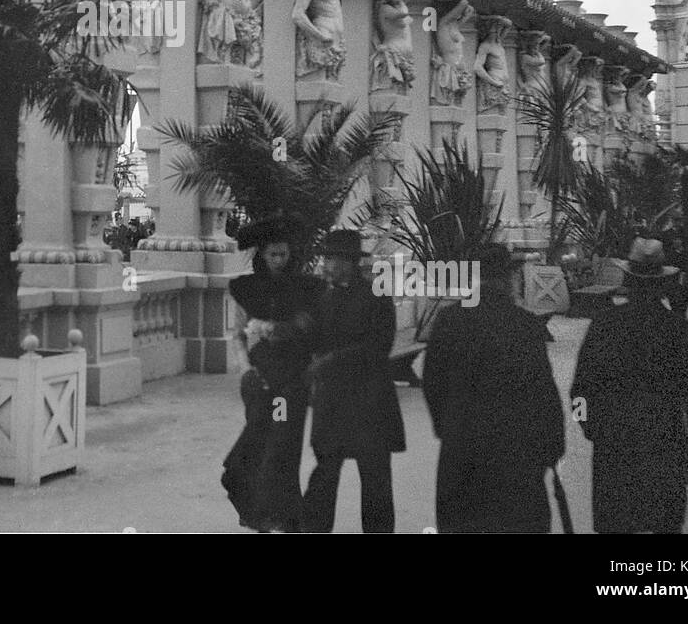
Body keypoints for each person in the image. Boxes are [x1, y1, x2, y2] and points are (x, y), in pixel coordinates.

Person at [571, 237, 688, 533]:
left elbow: (580, 391)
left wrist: (592, 429)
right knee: (665, 527)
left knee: (617, 528)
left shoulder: (604, 324)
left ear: (627, 279)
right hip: (665, 443)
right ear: (663, 284)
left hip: (615, 447)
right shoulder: (676, 328)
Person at [422, 243, 565, 533]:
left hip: (462, 446)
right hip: (515, 450)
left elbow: (432, 382)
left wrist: (446, 425)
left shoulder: (450, 319)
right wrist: (552, 444)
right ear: (508, 279)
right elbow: (543, 391)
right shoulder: (525, 325)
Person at [223, 214, 323, 533]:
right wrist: (246, 370)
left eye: (284, 253)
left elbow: (313, 330)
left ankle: (283, 513)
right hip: (260, 378)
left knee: (285, 443)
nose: (280, 260)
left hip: (291, 380)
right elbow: (237, 334)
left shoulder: (304, 288)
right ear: (262, 256)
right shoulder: (247, 290)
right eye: (273, 254)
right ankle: (259, 508)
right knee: (261, 439)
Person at [300, 230, 404, 533]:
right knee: (324, 477)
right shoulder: (320, 297)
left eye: (334, 259)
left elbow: (379, 348)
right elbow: (311, 342)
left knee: (375, 483)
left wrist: (331, 361)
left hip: (369, 403)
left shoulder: (377, 296)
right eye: (326, 258)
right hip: (332, 403)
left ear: (350, 263)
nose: (327, 265)